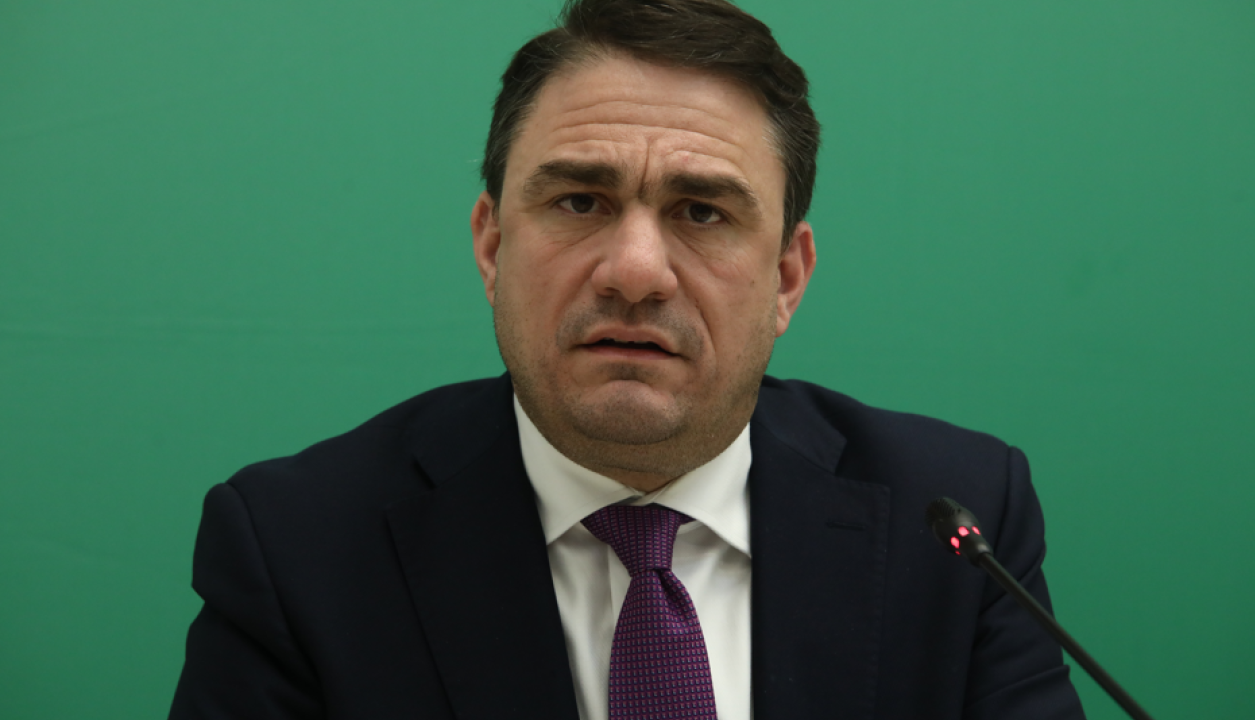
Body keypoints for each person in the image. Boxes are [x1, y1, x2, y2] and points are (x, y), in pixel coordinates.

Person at [170, 1, 1086, 718]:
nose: (636, 272)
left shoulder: (960, 528)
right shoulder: (299, 550)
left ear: (786, 278)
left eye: (702, 212)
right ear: (492, 247)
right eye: (579, 202)